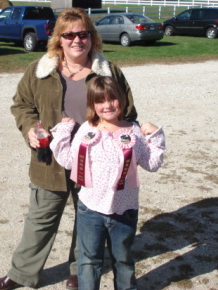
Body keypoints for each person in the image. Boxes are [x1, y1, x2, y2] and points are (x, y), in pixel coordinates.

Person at [0, 7, 138, 290]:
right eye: (69, 34)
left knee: (88, 222)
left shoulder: (108, 71)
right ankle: (21, 274)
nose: (76, 40)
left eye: (83, 33)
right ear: (59, 39)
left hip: (96, 162)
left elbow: (127, 112)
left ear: (92, 37)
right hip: (50, 160)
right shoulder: (40, 70)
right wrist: (31, 127)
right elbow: (21, 105)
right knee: (40, 220)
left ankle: (79, 271)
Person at [49, 76, 166, 290]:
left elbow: (152, 164)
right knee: (89, 260)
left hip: (124, 210)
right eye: (100, 101)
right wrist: (64, 132)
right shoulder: (87, 130)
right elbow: (68, 161)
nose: (107, 105)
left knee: (122, 260)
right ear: (93, 105)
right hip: (90, 209)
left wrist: (156, 136)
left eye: (112, 99)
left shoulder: (134, 131)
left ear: (121, 100)